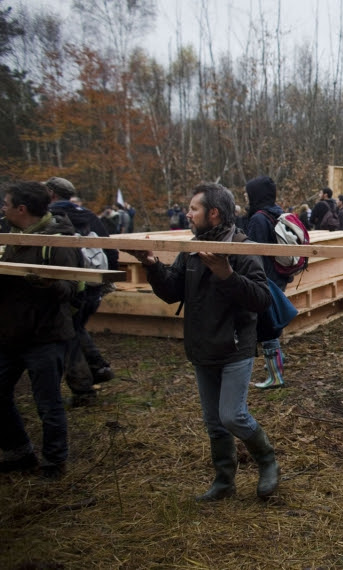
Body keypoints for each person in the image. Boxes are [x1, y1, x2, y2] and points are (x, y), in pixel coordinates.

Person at [127, 183, 279, 501]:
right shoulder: (193, 248)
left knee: (231, 415)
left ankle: (268, 462)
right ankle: (224, 481)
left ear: (213, 213)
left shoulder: (242, 248)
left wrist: (227, 274)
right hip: (201, 346)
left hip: (234, 346)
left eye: (193, 209)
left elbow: (262, 299)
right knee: (214, 422)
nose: (188, 213)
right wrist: (152, 264)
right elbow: (172, 291)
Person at [0, 181, 82, 479]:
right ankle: (18, 450)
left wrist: (44, 282)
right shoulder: (11, 237)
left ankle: (53, 461)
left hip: (45, 336)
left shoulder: (58, 241)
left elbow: (73, 288)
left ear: (22, 209)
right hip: (9, 335)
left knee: (48, 403)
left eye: (6, 204)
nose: (3, 209)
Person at [46, 177, 118, 404]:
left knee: (67, 334)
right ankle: (98, 367)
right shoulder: (89, 216)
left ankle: (83, 389)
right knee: (76, 328)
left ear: (51, 193)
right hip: (92, 289)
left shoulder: (50, 219)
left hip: (67, 288)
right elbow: (111, 252)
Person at [245, 176, 290, 389]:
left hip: (265, 278)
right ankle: (278, 362)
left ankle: (275, 376)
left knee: (267, 325)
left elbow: (253, 253)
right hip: (279, 274)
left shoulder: (258, 219)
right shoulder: (277, 213)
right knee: (273, 322)